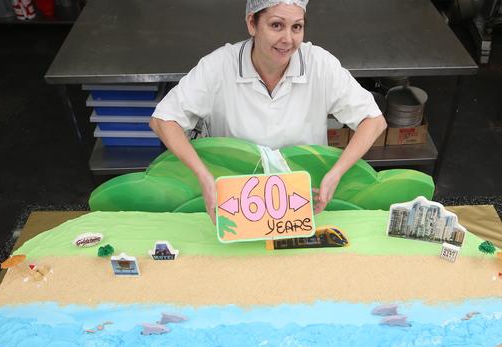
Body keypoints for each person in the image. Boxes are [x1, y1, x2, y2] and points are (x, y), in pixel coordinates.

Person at [150, 0, 387, 224]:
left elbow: (373, 121)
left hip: (304, 202)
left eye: (297, 27)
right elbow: (163, 119)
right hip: (234, 203)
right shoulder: (219, 65)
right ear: (252, 23)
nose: (288, 39)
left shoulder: (319, 65)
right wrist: (204, 176)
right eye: (276, 25)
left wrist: (335, 173)